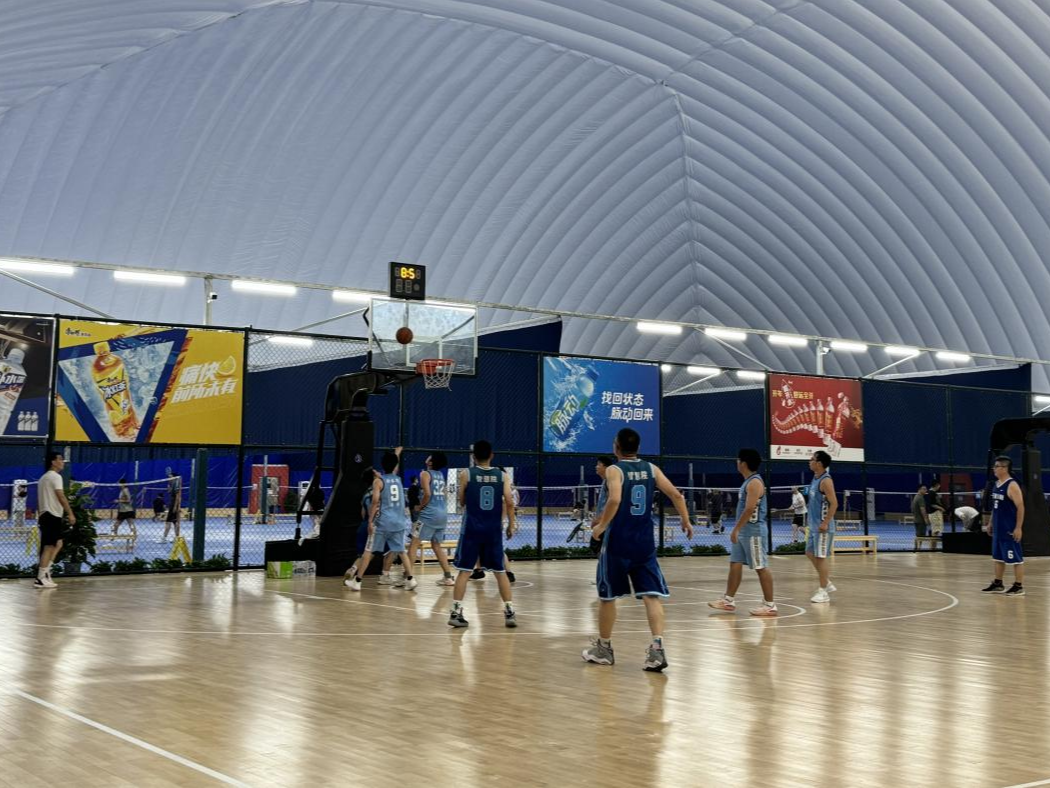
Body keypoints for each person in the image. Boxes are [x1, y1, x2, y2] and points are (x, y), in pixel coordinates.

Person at [582, 428, 693, 672]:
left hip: (618, 543)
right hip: (644, 542)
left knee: (607, 597)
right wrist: (685, 520)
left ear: (616, 447)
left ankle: (604, 649)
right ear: (638, 447)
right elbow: (676, 495)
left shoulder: (615, 470)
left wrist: (601, 526)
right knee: (651, 595)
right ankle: (657, 650)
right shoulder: (652, 469)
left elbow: (615, 499)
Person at [447, 441, 517, 628]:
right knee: (500, 572)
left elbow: (462, 501)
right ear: (491, 455)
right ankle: (509, 611)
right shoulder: (502, 476)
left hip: (472, 529)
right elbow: (509, 502)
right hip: (492, 530)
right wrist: (511, 524)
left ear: (473, 456)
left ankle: (456, 612)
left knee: (464, 571)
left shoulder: (466, 474)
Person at [708, 449, 778, 617]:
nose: (736, 462)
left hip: (753, 532)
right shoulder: (747, 482)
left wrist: (736, 529)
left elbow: (749, 509)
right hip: (744, 532)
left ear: (744, 463)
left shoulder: (755, 483)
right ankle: (728, 600)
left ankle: (770, 605)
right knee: (735, 563)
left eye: (738, 460)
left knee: (760, 567)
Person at [345, 450, 417, 591]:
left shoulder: (378, 482)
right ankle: (411, 579)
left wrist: (370, 521)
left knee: (368, 551)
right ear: (395, 465)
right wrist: (397, 453)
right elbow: (392, 469)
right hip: (399, 522)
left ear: (382, 465)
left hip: (383, 522)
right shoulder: (398, 479)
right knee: (401, 551)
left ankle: (357, 581)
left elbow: (375, 501)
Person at [407, 452, 457, 587]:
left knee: (414, 544)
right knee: (436, 546)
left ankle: (408, 577)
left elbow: (428, 494)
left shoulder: (425, 474)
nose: (427, 457)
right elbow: (443, 494)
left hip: (429, 514)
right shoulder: (440, 475)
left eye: (430, 457)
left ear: (431, 462)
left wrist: (420, 506)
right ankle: (448, 577)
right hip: (442, 514)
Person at [981, 456, 1025, 596]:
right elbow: (996, 507)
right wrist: (990, 523)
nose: (994, 469)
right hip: (998, 529)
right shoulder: (996, 484)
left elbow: (1021, 507)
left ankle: (1018, 586)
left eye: (997, 466)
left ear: (1004, 468)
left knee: (1015, 558)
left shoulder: (1012, 485)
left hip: (1009, 529)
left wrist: (1018, 527)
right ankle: (998, 583)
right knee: (998, 558)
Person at [36, 452, 74, 589]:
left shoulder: (43, 478)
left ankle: (46, 572)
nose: (63, 462)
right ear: (53, 462)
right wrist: (70, 513)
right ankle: (40, 578)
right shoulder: (56, 477)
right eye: (60, 459)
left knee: (58, 543)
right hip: (51, 515)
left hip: (47, 515)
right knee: (49, 546)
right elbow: (61, 496)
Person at [806, 450, 838, 604]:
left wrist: (825, 522)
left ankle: (823, 591)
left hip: (823, 528)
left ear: (819, 463)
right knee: (809, 553)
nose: (809, 461)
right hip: (813, 527)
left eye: (812, 459)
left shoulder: (826, 481)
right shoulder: (815, 478)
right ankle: (827, 582)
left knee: (820, 557)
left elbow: (834, 503)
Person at [161, 467, 181, 543]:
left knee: (170, 522)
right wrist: (168, 487)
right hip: (172, 504)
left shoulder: (176, 484)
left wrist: (175, 507)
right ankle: (176, 538)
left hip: (174, 505)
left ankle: (164, 538)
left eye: (170, 477)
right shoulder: (172, 484)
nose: (168, 478)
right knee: (174, 522)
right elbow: (169, 492)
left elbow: (177, 496)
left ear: (174, 477)